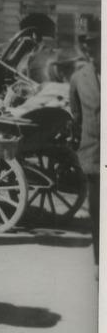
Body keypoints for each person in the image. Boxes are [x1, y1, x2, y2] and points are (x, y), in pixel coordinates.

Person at [70, 35, 100, 273]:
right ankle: (99, 262)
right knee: (98, 213)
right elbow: (76, 118)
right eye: (91, 51)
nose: (95, 55)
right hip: (94, 156)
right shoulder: (78, 79)